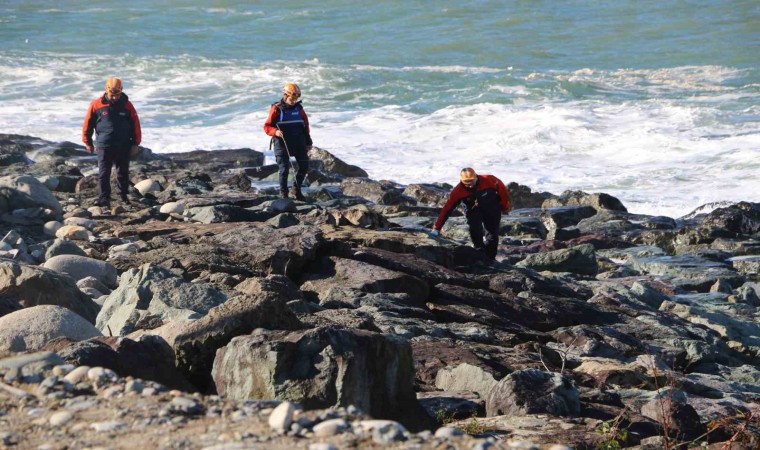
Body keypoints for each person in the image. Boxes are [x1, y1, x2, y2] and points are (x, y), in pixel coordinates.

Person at [82, 77, 141, 208]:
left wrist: (136, 143)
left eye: (117, 95)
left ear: (121, 91)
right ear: (106, 90)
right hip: (104, 145)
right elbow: (88, 124)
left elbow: (135, 124)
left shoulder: (127, 105)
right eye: (112, 95)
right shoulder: (96, 104)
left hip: (123, 144)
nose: (114, 97)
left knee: (123, 173)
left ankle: (123, 196)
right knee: (104, 173)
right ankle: (104, 199)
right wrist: (87, 142)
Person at [429, 168, 510, 260]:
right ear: (461, 180)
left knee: (492, 235)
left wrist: (505, 207)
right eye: (466, 182)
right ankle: (480, 253)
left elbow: (503, 191)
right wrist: (437, 228)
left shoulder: (489, 179)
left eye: (472, 181)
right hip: (473, 210)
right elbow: (447, 209)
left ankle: (490, 259)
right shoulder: (458, 191)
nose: (470, 185)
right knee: (475, 230)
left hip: (491, 207)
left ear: (476, 177)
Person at [263, 83, 313, 200]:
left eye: (296, 98)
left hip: (298, 142)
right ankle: (284, 195)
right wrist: (275, 132)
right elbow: (267, 126)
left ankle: (296, 190)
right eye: (292, 98)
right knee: (284, 169)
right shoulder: (276, 109)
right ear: (286, 95)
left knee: (304, 166)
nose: (294, 101)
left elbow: (305, 126)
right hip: (282, 143)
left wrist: (308, 142)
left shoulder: (299, 109)